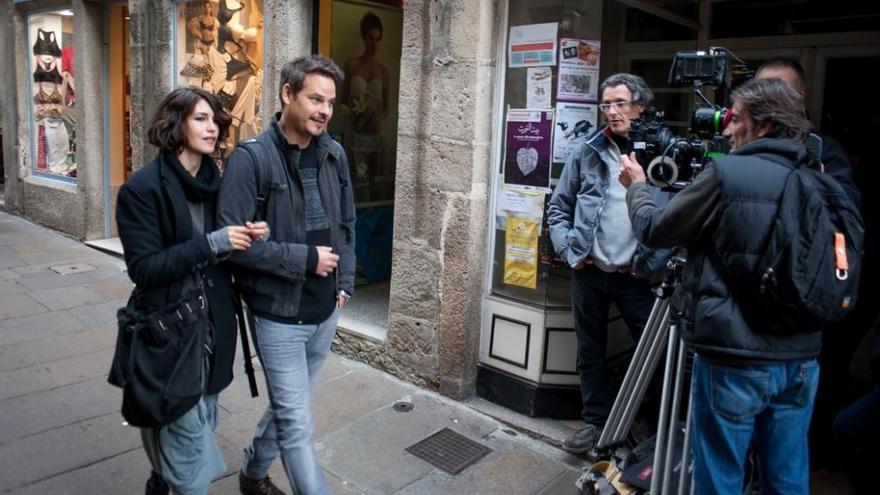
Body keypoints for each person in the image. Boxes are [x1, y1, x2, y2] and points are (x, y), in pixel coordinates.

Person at [618, 77, 819, 493]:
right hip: (801, 360)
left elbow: (656, 229)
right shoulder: (817, 174)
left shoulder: (727, 173)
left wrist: (638, 188)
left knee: (719, 474)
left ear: (762, 126)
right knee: (785, 474)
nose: (724, 130)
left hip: (734, 359)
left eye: (734, 119)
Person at [115, 87, 265, 495]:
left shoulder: (217, 184)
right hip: (169, 336)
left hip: (211, 333)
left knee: (202, 421)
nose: (212, 126)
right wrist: (213, 243)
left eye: (215, 119)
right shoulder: (142, 190)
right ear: (174, 123)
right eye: (200, 118)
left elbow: (217, 256)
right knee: (190, 461)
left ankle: (161, 482)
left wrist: (245, 237)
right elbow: (143, 269)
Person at [217, 54, 355, 495]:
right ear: (287, 94)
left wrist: (345, 281)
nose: (324, 111)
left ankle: (253, 472)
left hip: (325, 312)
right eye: (315, 99)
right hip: (279, 316)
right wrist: (306, 260)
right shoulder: (250, 159)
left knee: (288, 409)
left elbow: (347, 224)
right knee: (297, 424)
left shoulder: (335, 152)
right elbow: (234, 245)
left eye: (330, 103)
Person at [547, 73, 669, 455]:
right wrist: (570, 251)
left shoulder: (663, 156)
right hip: (590, 271)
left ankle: (645, 420)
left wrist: (648, 263)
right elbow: (558, 207)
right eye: (606, 105)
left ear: (640, 107)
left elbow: (676, 222)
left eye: (620, 103)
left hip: (636, 277)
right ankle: (596, 422)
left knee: (654, 354)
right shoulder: (589, 150)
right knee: (590, 351)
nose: (612, 112)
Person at [755, 57, 861, 208]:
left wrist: (818, 184)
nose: (773, 99)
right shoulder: (741, 141)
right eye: (764, 91)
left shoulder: (824, 148)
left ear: (801, 95)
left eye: (783, 91)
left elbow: (848, 203)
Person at [341, 11, 391, 202]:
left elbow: (387, 108)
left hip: (376, 137)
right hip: (357, 136)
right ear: (364, 37)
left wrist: (380, 118)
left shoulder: (383, 71)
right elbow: (343, 100)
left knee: (377, 188)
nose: (374, 44)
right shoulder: (351, 65)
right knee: (359, 188)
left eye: (378, 39)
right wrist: (353, 116)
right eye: (371, 38)